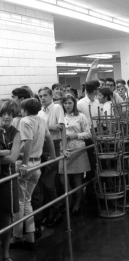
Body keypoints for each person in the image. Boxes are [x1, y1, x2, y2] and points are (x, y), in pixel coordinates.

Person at [10, 98, 56, 250]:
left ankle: (16, 237)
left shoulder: (25, 121)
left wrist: (23, 163)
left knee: (19, 203)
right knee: (27, 201)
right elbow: (48, 138)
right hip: (37, 164)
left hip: (26, 164)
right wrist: (54, 156)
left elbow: (28, 142)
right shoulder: (41, 119)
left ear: (24, 110)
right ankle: (30, 236)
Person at [38, 87, 66, 227]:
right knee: (45, 182)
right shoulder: (39, 112)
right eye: (40, 96)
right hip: (41, 147)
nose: (42, 98)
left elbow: (60, 127)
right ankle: (49, 210)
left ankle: (56, 212)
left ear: (50, 96)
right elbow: (45, 129)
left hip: (54, 145)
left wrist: (45, 128)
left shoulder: (57, 107)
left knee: (48, 182)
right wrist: (49, 127)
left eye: (45, 95)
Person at [59, 94, 91, 215]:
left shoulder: (80, 116)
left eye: (70, 103)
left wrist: (76, 135)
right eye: (65, 103)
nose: (67, 106)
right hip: (64, 149)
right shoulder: (60, 116)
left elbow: (88, 134)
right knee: (63, 180)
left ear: (74, 104)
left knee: (78, 180)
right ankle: (70, 199)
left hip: (78, 150)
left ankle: (77, 202)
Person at [0, 100, 21, 261]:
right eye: (4, 113)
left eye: (10, 114)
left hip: (7, 179)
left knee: (6, 218)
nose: (7, 117)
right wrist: (4, 151)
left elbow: (13, 157)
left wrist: (7, 152)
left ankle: (5, 254)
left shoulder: (15, 133)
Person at [77, 80, 100, 200]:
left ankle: (96, 186)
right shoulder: (80, 104)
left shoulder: (97, 102)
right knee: (90, 163)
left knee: (97, 161)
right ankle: (89, 190)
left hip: (98, 132)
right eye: (97, 89)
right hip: (86, 136)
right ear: (95, 90)